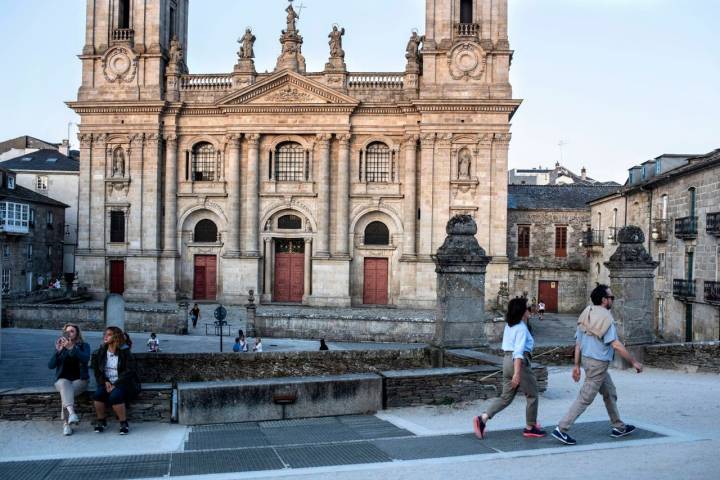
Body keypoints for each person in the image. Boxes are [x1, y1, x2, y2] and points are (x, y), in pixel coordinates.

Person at [552, 284, 643, 446]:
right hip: (598, 364)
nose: (612, 300)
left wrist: (576, 366)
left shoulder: (586, 313)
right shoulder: (607, 319)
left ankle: (618, 426)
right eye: (611, 298)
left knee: (610, 392)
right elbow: (615, 344)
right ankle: (562, 428)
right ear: (604, 300)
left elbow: (578, 342)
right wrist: (634, 362)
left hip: (588, 361)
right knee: (585, 397)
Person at [473, 298, 546, 440]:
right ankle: (530, 428)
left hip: (506, 361)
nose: (529, 310)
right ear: (521, 311)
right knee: (532, 395)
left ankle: (483, 418)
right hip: (518, 363)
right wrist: (517, 373)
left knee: (506, 397)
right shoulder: (521, 329)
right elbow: (518, 352)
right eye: (527, 308)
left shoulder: (510, 325)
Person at [91, 326, 141, 435]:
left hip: (122, 382)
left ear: (116, 336)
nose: (105, 336)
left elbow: (130, 371)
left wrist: (116, 384)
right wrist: (105, 382)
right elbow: (97, 371)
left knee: (115, 396)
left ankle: (123, 422)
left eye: (109, 334)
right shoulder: (99, 352)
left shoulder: (125, 352)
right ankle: (101, 421)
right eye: (105, 334)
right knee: (98, 395)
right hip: (106, 382)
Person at [48, 323, 91, 436]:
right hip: (62, 381)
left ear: (77, 334)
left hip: (80, 380)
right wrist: (57, 351)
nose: (69, 333)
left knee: (65, 393)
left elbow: (85, 359)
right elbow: (51, 365)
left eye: (72, 331)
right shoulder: (61, 347)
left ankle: (66, 425)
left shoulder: (84, 346)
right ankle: (72, 414)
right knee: (64, 384)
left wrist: (71, 348)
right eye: (67, 331)